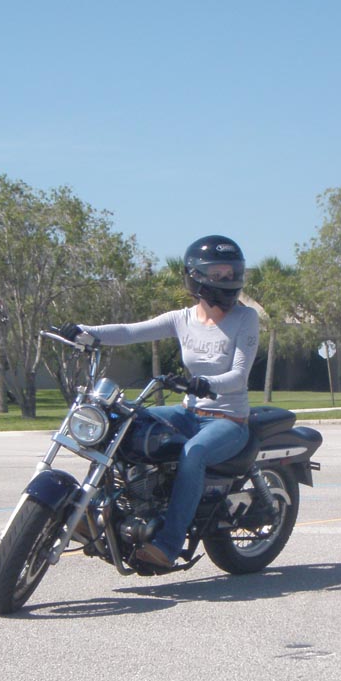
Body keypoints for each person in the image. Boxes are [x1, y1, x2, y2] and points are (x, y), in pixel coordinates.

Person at [58, 235, 260, 570]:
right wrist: (83, 330)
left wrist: (205, 383)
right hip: (188, 412)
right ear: (196, 276)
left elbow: (239, 376)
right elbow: (129, 331)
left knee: (193, 453)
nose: (227, 279)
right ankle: (96, 508)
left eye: (232, 272)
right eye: (218, 273)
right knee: (123, 423)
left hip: (229, 420)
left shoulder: (245, 318)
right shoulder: (182, 318)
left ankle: (167, 544)